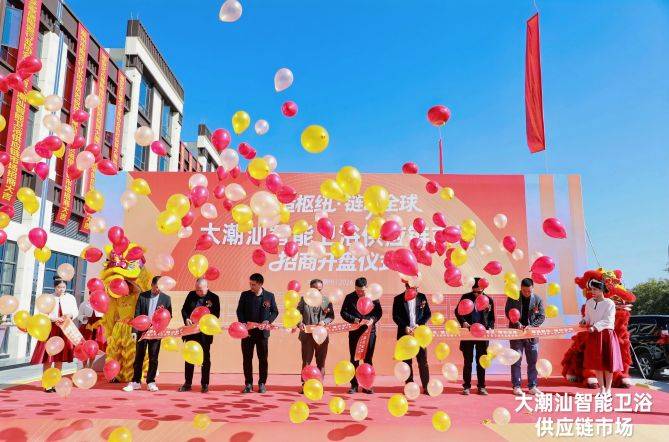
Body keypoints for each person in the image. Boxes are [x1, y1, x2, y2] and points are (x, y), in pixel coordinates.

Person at [30, 276, 79, 392]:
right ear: (54, 287)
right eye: (59, 287)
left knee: (59, 358)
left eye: (63, 287)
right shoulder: (49, 298)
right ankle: (47, 384)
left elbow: (75, 311)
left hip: (64, 329)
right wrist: (54, 319)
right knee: (48, 357)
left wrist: (69, 315)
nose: (61, 289)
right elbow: (43, 313)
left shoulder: (70, 298)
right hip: (51, 329)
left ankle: (56, 383)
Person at [123, 276, 172, 392]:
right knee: (139, 356)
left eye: (160, 288)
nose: (158, 290)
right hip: (142, 330)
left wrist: (161, 328)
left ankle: (151, 382)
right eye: (156, 287)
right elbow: (137, 313)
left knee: (153, 357)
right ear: (152, 285)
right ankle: (136, 381)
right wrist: (134, 331)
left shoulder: (166, 299)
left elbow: (169, 316)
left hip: (156, 332)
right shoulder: (143, 296)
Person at [236, 273, 278, 394]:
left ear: (260, 284)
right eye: (250, 284)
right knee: (247, 359)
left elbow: (275, 311)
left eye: (253, 284)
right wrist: (243, 323)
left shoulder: (269, 296)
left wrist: (268, 321)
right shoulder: (245, 295)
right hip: (247, 333)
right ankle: (248, 384)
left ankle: (262, 383)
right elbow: (239, 311)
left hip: (262, 334)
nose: (251, 286)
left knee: (263, 359)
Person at [340, 277, 382, 394]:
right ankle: (354, 385)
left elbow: (378, 312)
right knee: (354, 359)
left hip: (369, 332)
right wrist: (354, 319)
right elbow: (343, 312)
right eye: (358, 290)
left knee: (368, 359)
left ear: (366, 288)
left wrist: (372, 320)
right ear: (355, 288)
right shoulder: (349, 297)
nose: (360, 293)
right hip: (355, 332)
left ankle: (367, 385)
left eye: (362, 290)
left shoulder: (373, 297)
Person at [581, 278, 623, 396]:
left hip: (606, 335)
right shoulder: (589, 302)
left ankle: (608, 389)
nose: (592, 292)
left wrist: (595, 327)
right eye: (592, 289)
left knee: (608, 363)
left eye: (595, 289)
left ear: (602, 290)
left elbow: (608, 320)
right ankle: (601, 389)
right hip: (594, 335)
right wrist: (584, 321)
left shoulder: (609, 303)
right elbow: (587, 317)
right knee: (597, 364)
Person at [505, 278, 545, 396]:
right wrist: (518, 324)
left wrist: (531, 326)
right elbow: (508, 312)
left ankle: (532, 386)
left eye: (529, 291)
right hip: (516, 333)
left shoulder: (537, 299)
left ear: (533, 288)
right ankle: (516, 386)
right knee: (516, 360)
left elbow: (542, 316)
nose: (526, 293)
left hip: (532, 335)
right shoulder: (513, 297)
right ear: (520, 288)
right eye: (524, 291)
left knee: (533, 361)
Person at [454, 277, 495, 396]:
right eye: (475, 292)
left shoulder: (489, 300)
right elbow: (457, 312)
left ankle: (481, 387)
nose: (477, 294)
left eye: (479, 292)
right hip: (468, 333)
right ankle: (466, 386)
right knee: (468, 361)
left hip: (482, 334)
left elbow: (491, 318)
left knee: (481, 361)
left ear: (483, 289)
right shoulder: (465, 297)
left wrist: (490, 327)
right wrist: (463, 322)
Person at [179, 278, 220, 393]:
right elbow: (184, 310)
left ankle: (205, 384)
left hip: (205, 333)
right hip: (191, 332)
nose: (198, 292)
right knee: (189, 357)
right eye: (197, 289)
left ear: (207, 287)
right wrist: (186, 318)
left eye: (201, 290)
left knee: (205, 359)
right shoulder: (191, 295)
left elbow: (216, 315)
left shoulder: (214, 298)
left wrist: (205, 322)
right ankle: (187, 383)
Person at [392, 282, 431, 394]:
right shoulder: (398, 299)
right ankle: (409, 386)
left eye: (416, 287)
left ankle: (426, 386)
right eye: (412, 287)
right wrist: (405, 327)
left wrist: (419, 325)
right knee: (407, 362)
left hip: (420, 335)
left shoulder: (422, 297)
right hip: (405, 334)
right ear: (407, 287)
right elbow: (395, 316)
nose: (415, 290)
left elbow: (427, 314)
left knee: (423, 361)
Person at [297, 279, 334, 392]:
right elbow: (296, 314)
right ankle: (305, 385)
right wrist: (299, 323)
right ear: (310, 288)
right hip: (307, 336)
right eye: (316, 289)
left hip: (321, 336)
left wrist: (324, 322)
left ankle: (319, 385)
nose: (318, 292)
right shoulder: (304, 300)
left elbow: (331, 316)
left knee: (321, 362)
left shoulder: (326, 300)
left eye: (320, 290)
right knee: (306, 362)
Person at [76, 291, 106, 356]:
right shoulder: (84, 304)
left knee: (99, 343)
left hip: (99, 327)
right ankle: (85, 360)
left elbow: (107, 315)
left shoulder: (103, 303)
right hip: (87, 327)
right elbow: (79, 316)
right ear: (89, 294)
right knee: (86, 344)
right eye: (92, 294)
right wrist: (84, 317)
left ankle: (97, 361)